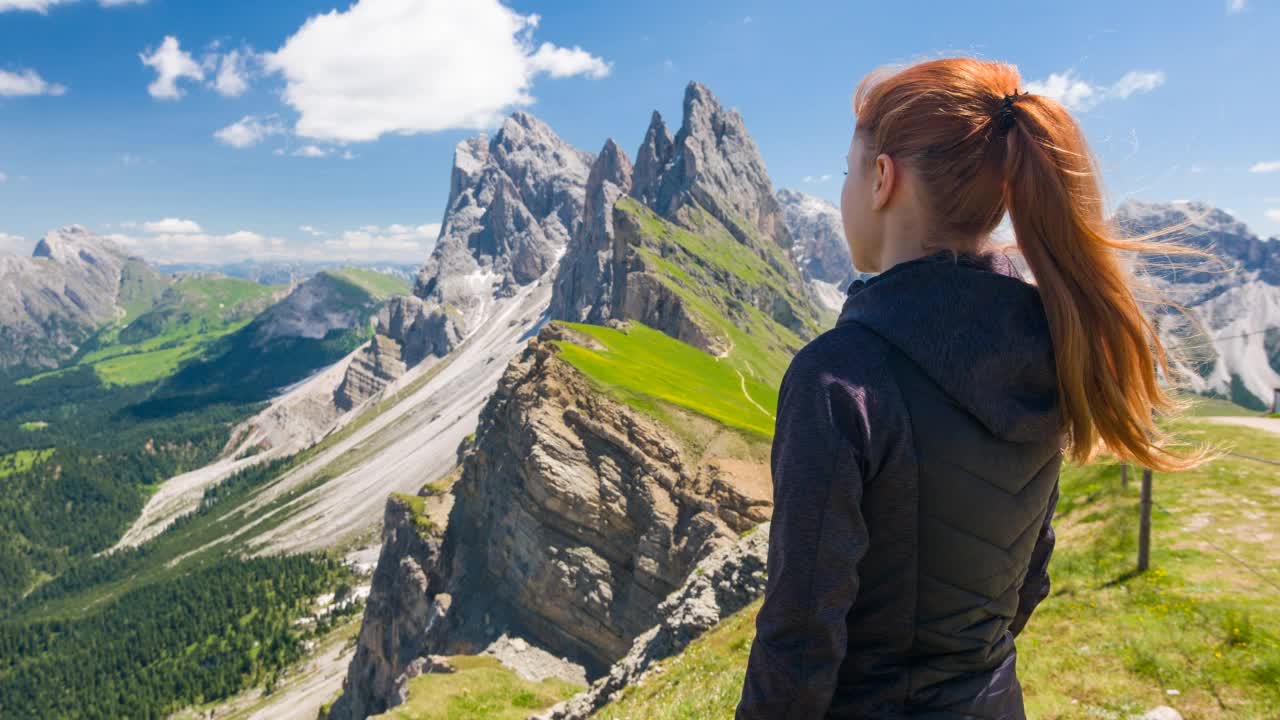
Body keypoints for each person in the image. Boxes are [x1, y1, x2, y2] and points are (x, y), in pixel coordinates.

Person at [736, 57, 1203, 719]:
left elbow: (800, 636)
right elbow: (1027, 578)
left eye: (847, 171)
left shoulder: (839, 377)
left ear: (880, 179)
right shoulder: (1050, 344)